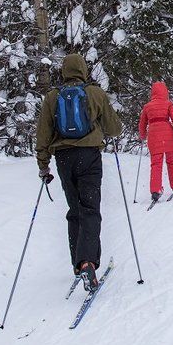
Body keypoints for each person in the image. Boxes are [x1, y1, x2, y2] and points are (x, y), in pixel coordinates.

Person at [36, 53, 122, 290]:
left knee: (75, 209)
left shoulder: (53, 97)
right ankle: (88, 262)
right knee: (91, 209)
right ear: (83, 70)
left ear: (64, 71)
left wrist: (43, 165)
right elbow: (114, 128)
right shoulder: (94, 93)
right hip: (89, 156)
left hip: (64, 159)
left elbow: (43, 134)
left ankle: (78, 264)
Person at [138, 81, 173, 202]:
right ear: (165, 92)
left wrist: (142, 136)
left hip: (153, 136)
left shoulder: (147, 106)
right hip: (168, 135)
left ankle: (155, 190)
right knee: (172, 161)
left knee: (156, 164)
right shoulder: (168, 104)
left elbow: (142, 124)